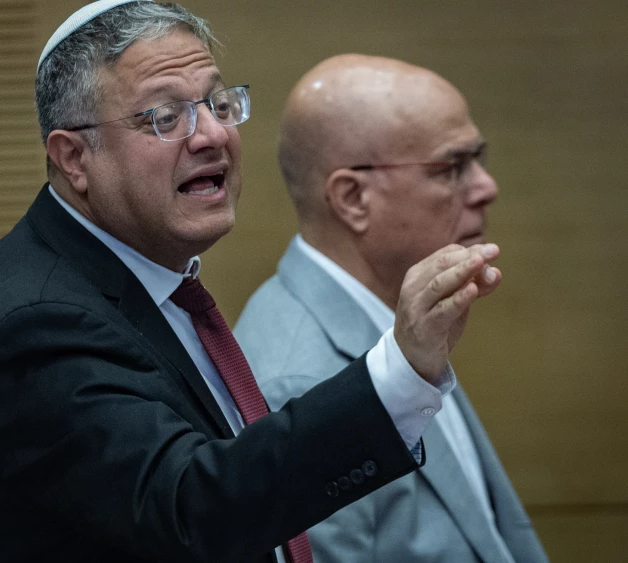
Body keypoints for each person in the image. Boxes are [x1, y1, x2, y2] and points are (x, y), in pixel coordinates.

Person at [0, 3, 501, 562]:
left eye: (218, 104)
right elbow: (193, 508)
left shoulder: (143, 280)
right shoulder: (38, 322)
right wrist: (399, 372)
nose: (212, 136)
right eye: (164, 117)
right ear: (75, 158)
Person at [234, 54, 548, 562]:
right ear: (353, 198)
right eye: (452, 167)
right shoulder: (296, 385)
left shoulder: (402, 316)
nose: (486, 188)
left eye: (479, 160)